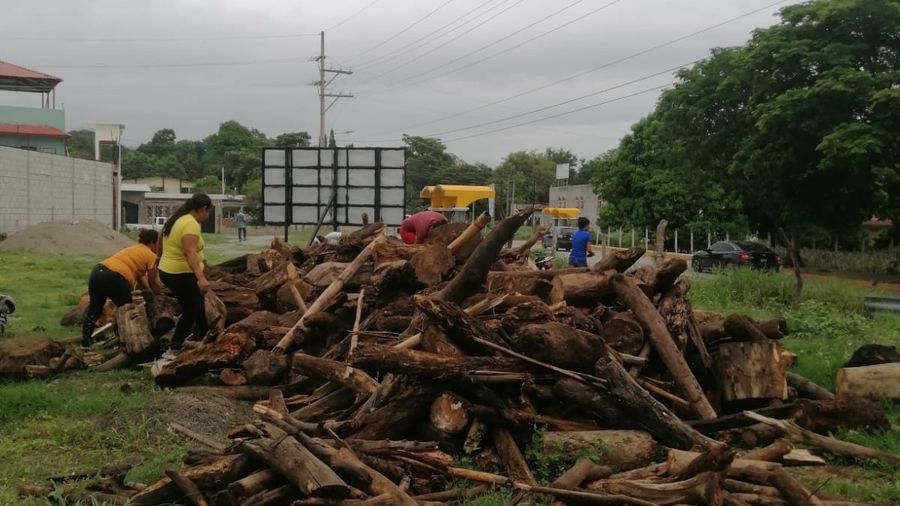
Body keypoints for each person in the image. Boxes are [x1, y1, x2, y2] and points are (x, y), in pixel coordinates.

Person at [82, 229, 162, 346]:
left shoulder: (134, 249)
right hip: (115, 277)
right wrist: (159, 295)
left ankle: (86, 340)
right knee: (127, 310)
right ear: (152, 243)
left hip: (98, 271)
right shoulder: (151, 256)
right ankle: (129, 341)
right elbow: (153, 281)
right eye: (158, 245)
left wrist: (148, 290)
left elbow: (140, 277)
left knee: (95, 309)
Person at [158, 193, 212, 350]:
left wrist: (159, 256)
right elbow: (190, 252)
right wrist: (201, 278)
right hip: (180, 274)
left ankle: (206, 336)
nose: (207, 216)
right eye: (208, 212)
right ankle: (175, 345)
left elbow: (161, 236)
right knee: (191, 309)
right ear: (203, 209)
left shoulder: (179, 219)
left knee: (198, 304)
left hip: (171, 271)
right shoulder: (190, 224)